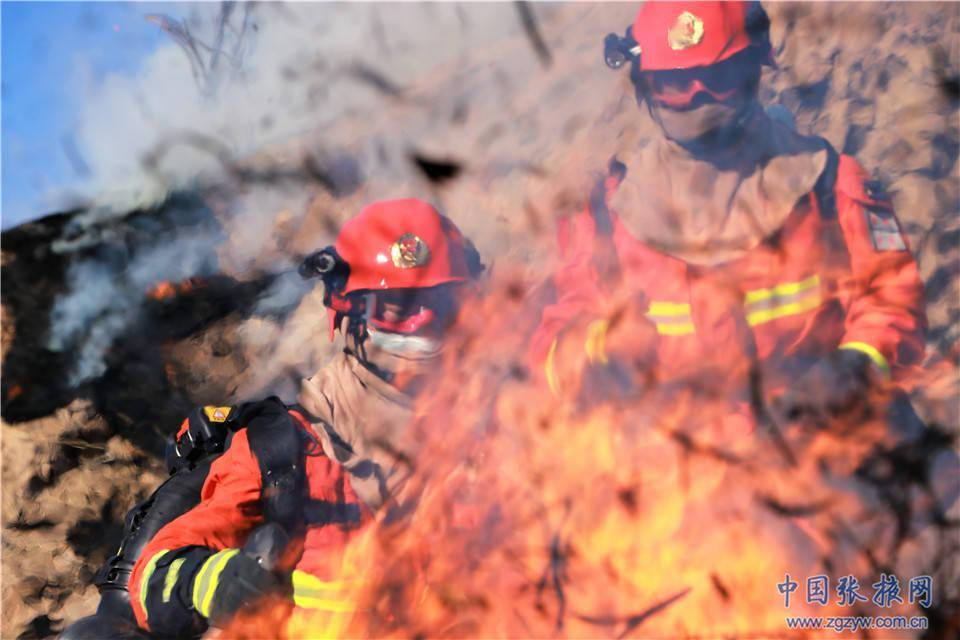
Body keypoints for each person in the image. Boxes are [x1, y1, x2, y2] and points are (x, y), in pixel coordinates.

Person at [68, 199, 482, 638]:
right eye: (397, 308)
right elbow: (151, 574)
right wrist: (209, 581)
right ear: (344, 314)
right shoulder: (282, 453)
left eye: (440, 304)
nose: (422, 327)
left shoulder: (502, 437)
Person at [530, 1, 926, 431]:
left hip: (833, 438)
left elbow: (892, 297)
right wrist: (596, 353)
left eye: (719, 78)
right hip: (695, 470)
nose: (700, 97)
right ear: (646, 85)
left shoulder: (828, 184)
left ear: (754, 69)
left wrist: (855, 369)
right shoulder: (609, 222)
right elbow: (553, 351)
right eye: (677, 84)